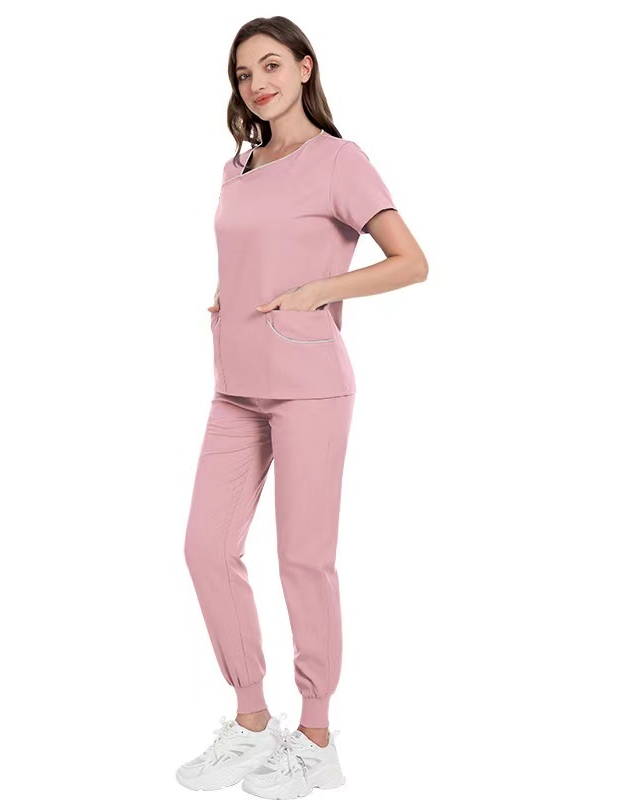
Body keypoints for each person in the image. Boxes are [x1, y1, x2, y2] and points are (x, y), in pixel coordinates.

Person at [176, 16, 428, 799]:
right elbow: (249, 249)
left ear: (305, 69)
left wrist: (319, 290)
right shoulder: (240, 166)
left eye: (272, 65)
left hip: (310, 382)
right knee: (205, 548)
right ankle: (253, 722)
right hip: (234, 385)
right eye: (244, 73)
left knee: (302, 560)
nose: (257, 82)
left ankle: (316, 737)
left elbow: (411, 262)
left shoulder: (340, 162)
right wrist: (227, 294)